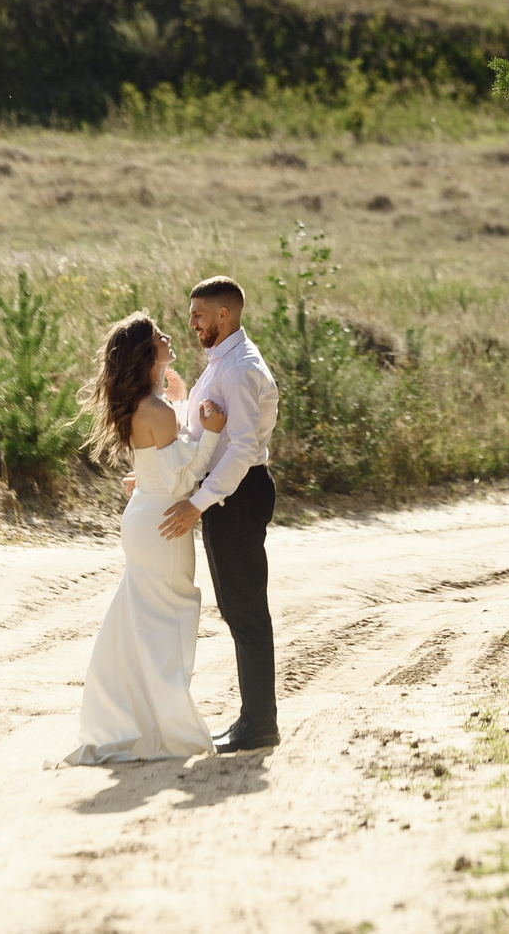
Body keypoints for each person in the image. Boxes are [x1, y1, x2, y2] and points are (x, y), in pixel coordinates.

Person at [66, 312, 229, 765]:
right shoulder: (155, 410)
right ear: (145, 352)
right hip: (164, 522)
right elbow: (186, 476)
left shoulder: (148, 405)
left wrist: (178, 398)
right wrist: (213, 435)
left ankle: (138, 720)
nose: (168, 337)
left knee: (145, 619)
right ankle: (167, 726)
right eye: (159, 336)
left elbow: (164, 460)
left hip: (145, 517)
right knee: (168, 621)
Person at [157, 274, 281, 753]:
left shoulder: (240, 368)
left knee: (246, 609)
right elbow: (211, 431)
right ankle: (254, 718)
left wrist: (198, 503)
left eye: (198, 315)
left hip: (238, 494)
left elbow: (244, 448)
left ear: (223, 315)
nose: (192, 323)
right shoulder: (222, 362)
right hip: (228, 493)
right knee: (236, 607)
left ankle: (259, 724)